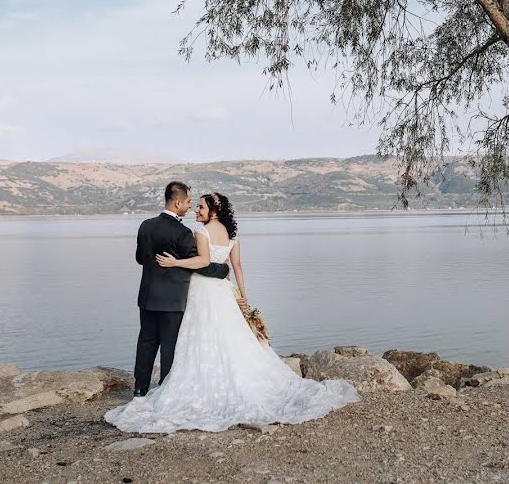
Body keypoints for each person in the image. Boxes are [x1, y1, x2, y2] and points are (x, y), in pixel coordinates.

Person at [105, 191, 360, 433]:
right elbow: (235, 265)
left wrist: (175, 262)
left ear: (213, 212)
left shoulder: (188, 230)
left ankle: (145, 389)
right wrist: (241, 292)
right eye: (193, 204)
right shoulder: (230, 234)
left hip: (181, 293)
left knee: (183, 338)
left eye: (201, 206)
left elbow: (196, 262)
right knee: (226, 336)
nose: (196, 208)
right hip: (223, 292)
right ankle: (176, 383)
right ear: (178, 202)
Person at [130, 181, 230, 396]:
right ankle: (165, 391)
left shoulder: (145, 225)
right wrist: (222, 271)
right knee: (169, 346)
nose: (190, 206)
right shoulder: (182, 233)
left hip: (147, 296)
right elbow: (199, 264)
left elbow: (140, 259)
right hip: (173, 299)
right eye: (188, 202)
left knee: (146, 341)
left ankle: (140, 389)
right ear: (177, 202)